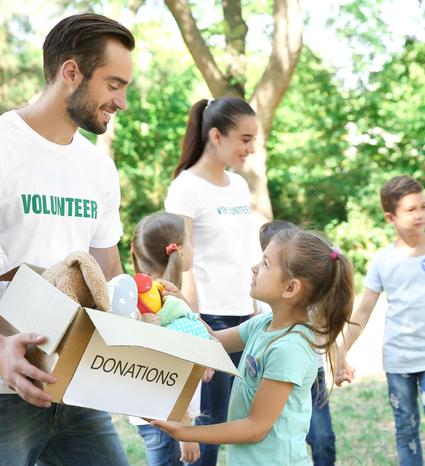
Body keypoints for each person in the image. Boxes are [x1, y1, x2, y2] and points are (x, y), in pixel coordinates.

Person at [0, 13, 135, 465]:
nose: (121, 100)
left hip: (76, 383)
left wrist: (148, 306)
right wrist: (0, 351)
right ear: (71, 72)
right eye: (113, 84)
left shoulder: (99, 168)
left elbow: (108, 274)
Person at [150, 228, 356, 466]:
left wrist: (185, 432)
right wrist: (181, 304)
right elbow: (212, 339)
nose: (254, 267)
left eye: (266, 263)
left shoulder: (290, 348)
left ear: (290, 288)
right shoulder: (265, 323)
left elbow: (256, 427)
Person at [335, 174, 425, 466]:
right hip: (397, 359)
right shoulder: (382, 260)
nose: (420, 214)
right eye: (411, 209)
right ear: (390, 217)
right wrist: (340, 354)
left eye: (423, 207)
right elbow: (363, 312)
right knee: (405, 429)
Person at [164, 96, 258, 465]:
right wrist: (194, 322)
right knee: (207, 430)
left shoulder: (238, 186)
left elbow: (243, 250)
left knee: (234, 422)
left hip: (244, 318)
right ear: (216, 136)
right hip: (208, 320)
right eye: (245, 139)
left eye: (254, 139)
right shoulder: (186, 187)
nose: (251, 147)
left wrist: (254, 309)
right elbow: (179, 262)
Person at [256, 220, 337, 465]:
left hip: (312, 375)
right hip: (273, 372)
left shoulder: (310, 294)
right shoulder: (261, 299)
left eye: (266, 263)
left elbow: (330, 328)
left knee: (321, 437)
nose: (256, 268)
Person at [129, 212, 201, 465]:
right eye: (191, 241)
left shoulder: (142, 297)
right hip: (169, 422)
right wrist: (184, 426)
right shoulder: (163, 304)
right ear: (179, 251)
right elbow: (163, 368)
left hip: (158, 418)